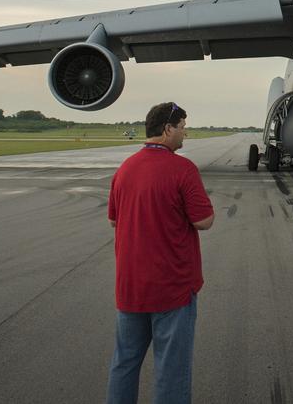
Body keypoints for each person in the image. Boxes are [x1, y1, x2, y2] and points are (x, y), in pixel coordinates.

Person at [106, 102, 215, 404]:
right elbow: (204, 221)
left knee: (125, 362)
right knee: (171, 368)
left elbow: (114, 219)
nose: (185, 132)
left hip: (130, 286)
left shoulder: (125, 168)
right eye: (182, 126)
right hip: (172, 288)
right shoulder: (182, 169)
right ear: (168, 129)